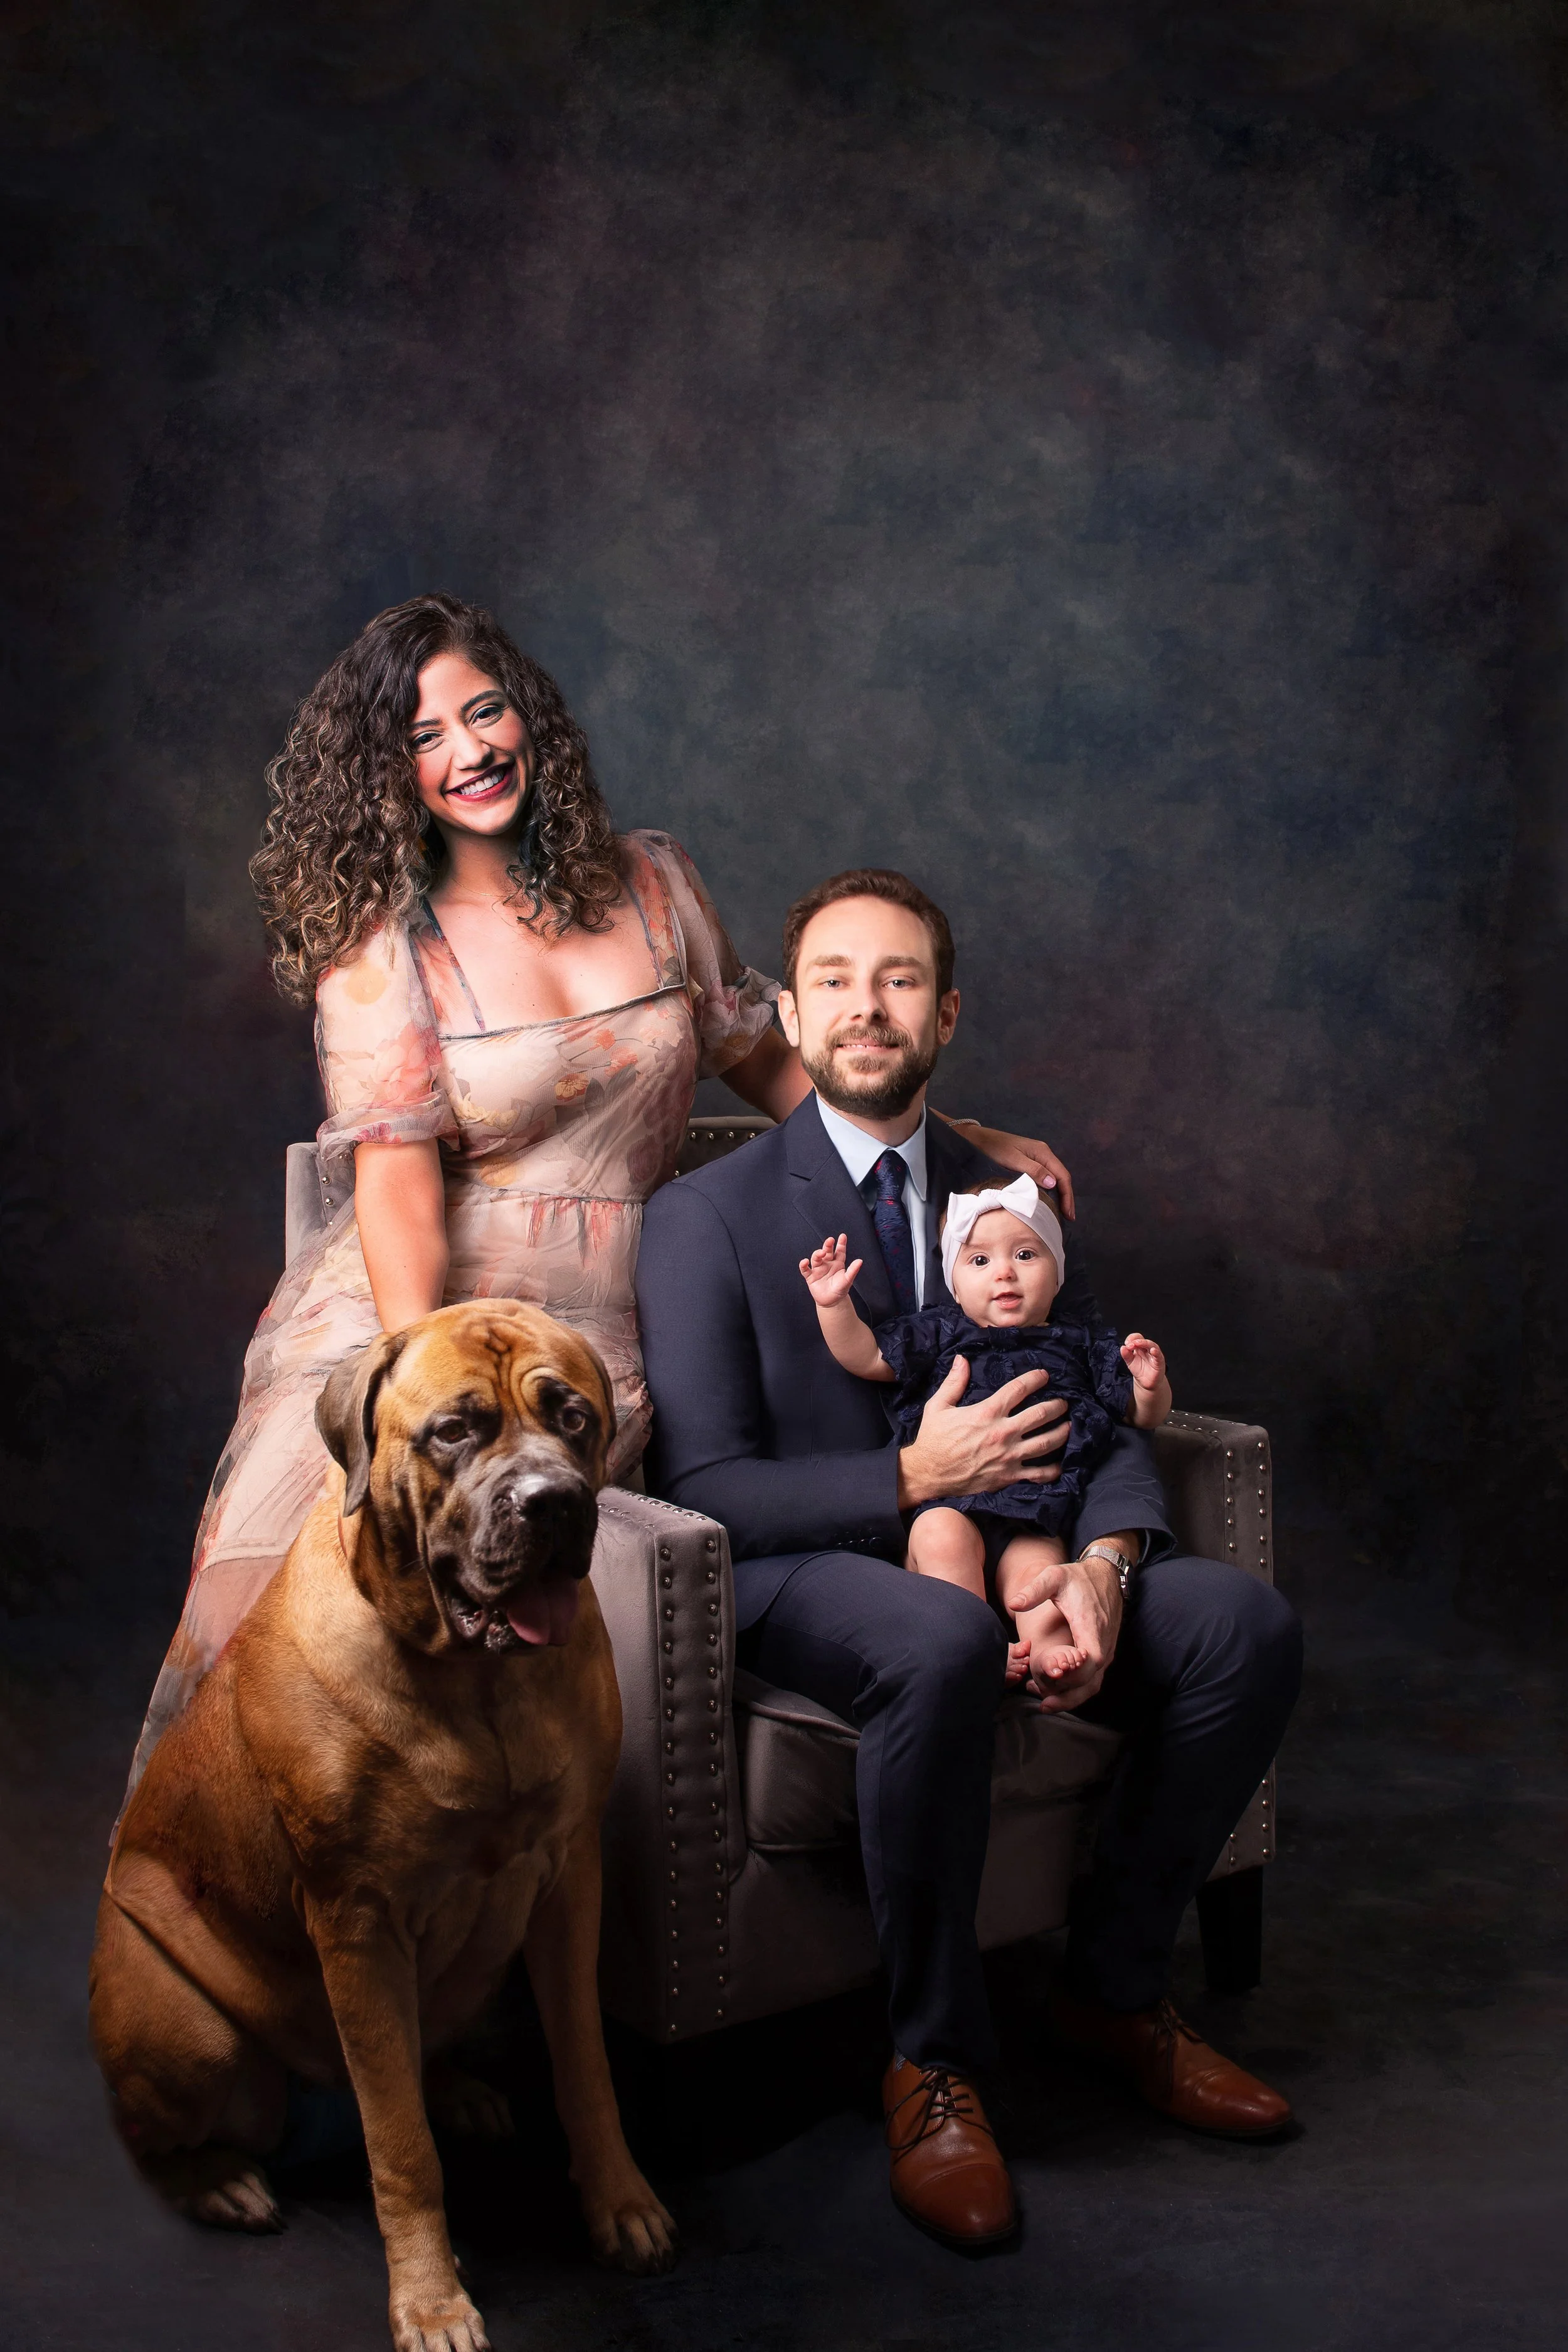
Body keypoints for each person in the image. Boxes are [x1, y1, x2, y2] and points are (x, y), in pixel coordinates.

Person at [129, 597, 1069, 1788]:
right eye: (424, 737)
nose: (468, 751)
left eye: (484, 711)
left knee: (524, 1639)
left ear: (530, 718)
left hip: (614, 1322)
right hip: (429, 1316)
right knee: (317, 1651)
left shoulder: (655, 881)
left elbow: (769, 1057)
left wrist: (953, 1135)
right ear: (387, 773)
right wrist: (431, 1391)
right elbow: (401, 1191)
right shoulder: (384, 949)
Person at [635, 866, 1304, 2251]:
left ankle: (1110, 1991)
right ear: (793, 1010)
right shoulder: (705, 1215)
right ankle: (932, 2061)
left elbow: (1082, 1397)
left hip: (1026, 1545)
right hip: (808, 1567)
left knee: (1240, 1624)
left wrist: (1105, 1569)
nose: (863, 1007)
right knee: (933, 1639)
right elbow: (705, 1490)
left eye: (896, 980)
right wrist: (905, 1478)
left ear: (946, 1012)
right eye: (831, 979)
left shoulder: (1008, 1196)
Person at [799, 1173, 1172, 1692]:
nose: (1005, 1275)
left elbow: (1139, 1416)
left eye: (1025, 1255)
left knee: (1038, 1578)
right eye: (980, 1261)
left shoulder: (1081, 1343)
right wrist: (834, 1306)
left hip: (1035, 1512)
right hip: (949, 1499)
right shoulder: (941, 1330)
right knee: (939, 1540)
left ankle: (1048, 1655)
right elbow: (867, 1357)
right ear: (954, 1278)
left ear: (1058, 1273)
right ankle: (972, 1645)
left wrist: (1151, 1386)